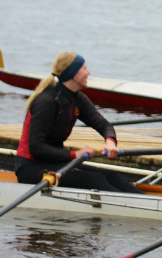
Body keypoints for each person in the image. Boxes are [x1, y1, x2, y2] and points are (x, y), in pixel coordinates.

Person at [15, 52, 141, 193]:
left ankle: (147, 203)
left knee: (111, 175)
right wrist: (75, 154)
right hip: (30, 168)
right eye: (84, 68)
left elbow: (104, 125)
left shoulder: (77, 99)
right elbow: (36, 147)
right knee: (94, 179)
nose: (88, 73)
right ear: (74, 74)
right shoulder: (46, 101)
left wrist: (110, 142)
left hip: (55, 163)